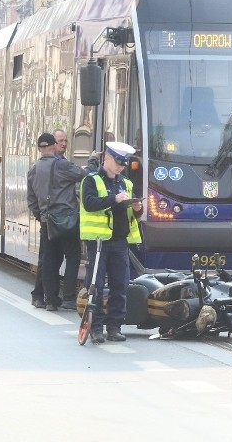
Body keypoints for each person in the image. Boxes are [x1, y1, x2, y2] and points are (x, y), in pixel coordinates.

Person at [80, 141, 143, 344]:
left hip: (120, 241)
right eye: (117, 162)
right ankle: (96, 327)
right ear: (106, 158)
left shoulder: (126, 183)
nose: (120, 167)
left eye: (123, 164)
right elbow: (89, 204)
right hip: (98, 242)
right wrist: (113, 199)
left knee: (120, 285)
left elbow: (134, 213)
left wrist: (137, 207)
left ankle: (114, 327)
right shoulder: (91, 180)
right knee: (96, 286)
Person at [27, 133, 90, 311]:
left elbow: (31, 199)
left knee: (49, 260)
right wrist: (92, 162)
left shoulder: (33, 169)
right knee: (72, 257)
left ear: (39, 148)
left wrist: (42, 216)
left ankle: (50, 300)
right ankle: (69, 297)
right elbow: (83, 175)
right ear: (54, 146)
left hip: (47, 221)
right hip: (67, 219)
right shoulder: (61, 164)